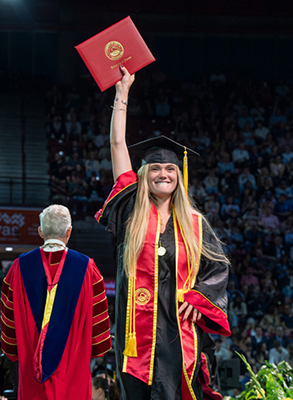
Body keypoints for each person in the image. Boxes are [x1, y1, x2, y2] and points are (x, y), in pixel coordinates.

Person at [95, 66, 230, 400]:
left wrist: (201, 297)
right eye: (155, 167)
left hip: (177, 334)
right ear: (144, 174)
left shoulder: (195, 224)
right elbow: (116, 144)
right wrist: (122, 95)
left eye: (170, 168)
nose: (163, 173)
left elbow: (218, 269)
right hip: (135, 336)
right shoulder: (129, 211)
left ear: (179, 176)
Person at [0, 204, 111, 400]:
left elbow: (8, 327)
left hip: (31, 368)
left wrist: (14, 352)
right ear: (69, 232)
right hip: (74, 366)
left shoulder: (19, 267)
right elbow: (98, 328)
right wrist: (92, 350)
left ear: (40, 232)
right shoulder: (87, 268)